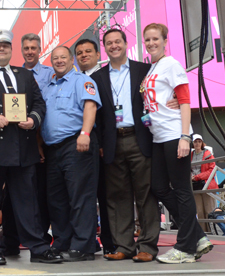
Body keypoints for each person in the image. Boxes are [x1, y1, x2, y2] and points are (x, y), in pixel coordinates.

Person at [0, 29, 60, 266]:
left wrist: (33, 119)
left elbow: (38, 102)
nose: (1, 48)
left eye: (5, 45)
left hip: (22, 150)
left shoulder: (24, 75)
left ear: (11, 49)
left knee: (28, 202)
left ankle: (37, 247)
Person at [141, 23, 213, 263]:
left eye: (155, 39)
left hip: (174, 134)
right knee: (159, 187)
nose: (151, 43)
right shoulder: (153, 68)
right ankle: (197, 236)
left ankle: (185, 248)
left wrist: (186, 137)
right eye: (147, 39)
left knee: (182, 189)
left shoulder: (171, 65)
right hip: (158, 136)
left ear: (164, 40)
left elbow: (184, 100)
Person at [90, 29, 161, 263]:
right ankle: (124, 246)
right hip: (112, 143)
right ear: (105, 47)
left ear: (125, 43)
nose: (113, 46)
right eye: (109, 43)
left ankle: (147, 247)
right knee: (117, 197)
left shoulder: (144, 70)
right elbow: (97, 116)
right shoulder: (98, 77)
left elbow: (157, 96)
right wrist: (100, 144)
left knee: (146, 195)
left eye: (117, 42)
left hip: (139, 138)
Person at [41, 46, 101, 262]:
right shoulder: (47, 87)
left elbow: (90, 106)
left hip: (77, 144)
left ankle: (83, 246)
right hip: (52, 149)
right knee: (56, 200)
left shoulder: (81, 81)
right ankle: (62, 242)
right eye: (55, 58)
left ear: (71, 59)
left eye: (63, 57)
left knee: (80, 197)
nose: (59, 61)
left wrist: (85, 133)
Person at [0, 33, 53, 255]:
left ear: (40, 49)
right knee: (11, 195)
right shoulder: (13, 74)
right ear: (21, 50)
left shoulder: (50, 74)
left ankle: (40, 238)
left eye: (34, 47)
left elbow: (46, 107)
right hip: (16, 143)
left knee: (40, 194)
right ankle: (10, 240)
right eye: (26, 48)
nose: (30, 51)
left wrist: (40, 140)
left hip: (44, 140)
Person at [75, 38, 116, 256]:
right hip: (80, 148)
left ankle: (110, 241)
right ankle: (88, 242)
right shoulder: (73, 79)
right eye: (79, 52)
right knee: (83, 196)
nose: (83, 55)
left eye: (88, 51)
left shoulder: (104, 77)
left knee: (105, 194)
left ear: (98, 54)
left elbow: (106, 115)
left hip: (102, 146)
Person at [191, 134, 218, 232]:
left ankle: (214, 233)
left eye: (199, 141)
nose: (197, 143)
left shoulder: (208, 154)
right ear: (192, 143)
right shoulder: (190, 155)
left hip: (207, 184)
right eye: (195, 141)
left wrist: (196, 177)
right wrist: (191, 177)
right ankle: (204, 234)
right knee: (199, 212)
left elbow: (212, 170)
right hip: (195, 185)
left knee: (209, 210)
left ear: (202, 143)